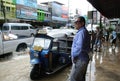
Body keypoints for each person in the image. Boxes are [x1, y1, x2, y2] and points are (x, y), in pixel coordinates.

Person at [68, 16, 91, 81]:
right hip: (83, 59)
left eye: (77, 22)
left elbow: (79, 47)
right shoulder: (83, 31)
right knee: (81, 79)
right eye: (75, 22)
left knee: (73, 79)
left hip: (80, 60)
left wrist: (73, 56)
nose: (75, 24)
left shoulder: (82, 32)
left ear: (82, 23)